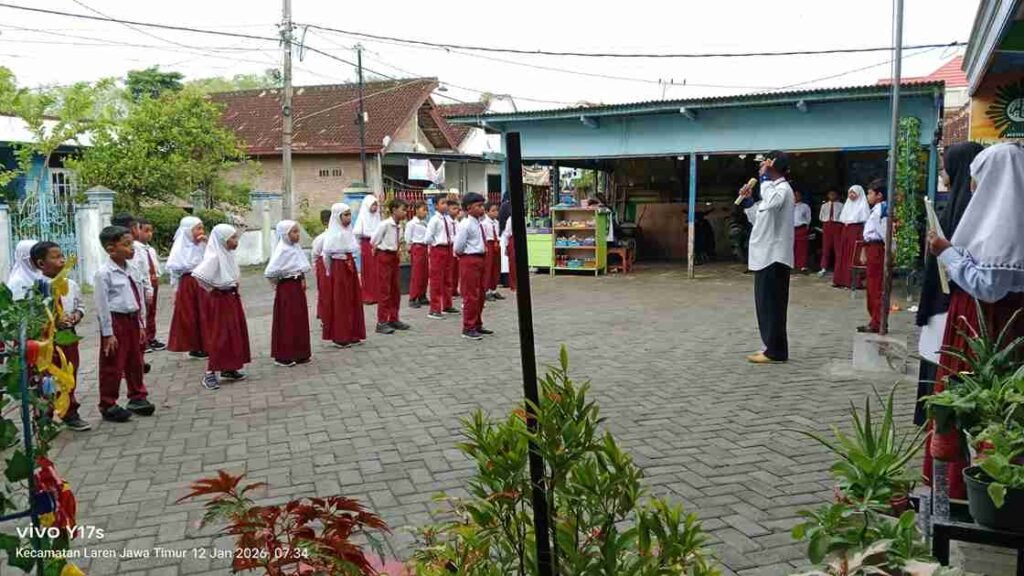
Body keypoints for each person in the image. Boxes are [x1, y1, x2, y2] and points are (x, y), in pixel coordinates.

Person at [925, 142, 1024, 500]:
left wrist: (946, 253)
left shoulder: (1003, 226)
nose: (973, 187)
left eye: (978, 179)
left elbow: (989, 287)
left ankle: (967, 487)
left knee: (975, 400)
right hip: (995, 323)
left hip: (985, 326)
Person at [913, 142, 984, 424]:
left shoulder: (971, 208)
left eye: (945, 167)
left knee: (945, 360)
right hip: (943, 297)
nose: (942, 173)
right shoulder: (958, 200)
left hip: (957, 300)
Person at [93, 225, 155, 422]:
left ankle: (137, 396)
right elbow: (102, 306)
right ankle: (108, 404)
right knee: (113, 364)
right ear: (111, 249)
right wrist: (108, 333)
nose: (132, 248)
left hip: (133, 320)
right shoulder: (104, 274)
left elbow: (138, 298)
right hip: (115, 322)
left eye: (131, 244)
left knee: (135, 361)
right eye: (126, 245)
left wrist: (142, 324)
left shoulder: (132, 269)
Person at [739, 150, 795, 364]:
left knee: (773, 306)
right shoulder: (771, 191)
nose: (761, 167)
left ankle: (776, 351)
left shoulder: (782, 189)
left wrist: (764, 178)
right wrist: (748, 202)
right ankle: (770, 346)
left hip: (775, 257)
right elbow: (759, 218)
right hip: (764, 257)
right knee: (764, 305)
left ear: (773, 166)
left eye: (765, 164)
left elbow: (771, 202)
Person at [31, 241, 90, 431]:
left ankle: (70, 412)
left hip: (68, 336)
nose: (62, 260)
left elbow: (80, 305)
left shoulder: (70, 284)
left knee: (69, 373)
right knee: (47, 378)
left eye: (62, 256)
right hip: (48, 341)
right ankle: (44, 417)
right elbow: (34, 317)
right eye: (55, 257)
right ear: (41, 264)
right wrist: (53, 323)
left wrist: (76, 316)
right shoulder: (37, 288)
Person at [192, 224, 250, 390]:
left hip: (231, 297)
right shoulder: (214, 257)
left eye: (235, 237)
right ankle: (210, 372)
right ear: (223, 240)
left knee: (233, 333)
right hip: (221, 299)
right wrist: (213, 288)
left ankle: (229, 367)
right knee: (221, 335)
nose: (235, 241)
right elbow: (199, 276)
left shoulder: (228, 254)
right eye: (232, 238)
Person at [265, 220, 312, 368]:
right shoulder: (282, 250)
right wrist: (277, 285)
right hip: (287, 287)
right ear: (285, 234)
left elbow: (300, 266)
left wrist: (302, 279)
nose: (297, 235)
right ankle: (283, 355)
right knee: (287, 320)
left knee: (299, 319)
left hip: (297, 286)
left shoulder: (296, 248)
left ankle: (300, 352)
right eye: (294, 232)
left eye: (298, 231)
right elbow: (270, 272)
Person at [321, 203, 366, 348]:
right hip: (339, 268)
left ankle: (353, 333)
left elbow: (352, 249)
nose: (348, 218)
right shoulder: (333, 234)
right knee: (341, 301)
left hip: (349, 266)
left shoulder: (349, 232)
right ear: (337, 217)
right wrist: (330, 272)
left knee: (352, 299)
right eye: (345, 215)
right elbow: (326, 255)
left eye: (349, 214)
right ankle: (341, 335)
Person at [166, 216, 208, 359]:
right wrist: (176, 290)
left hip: (203, 283)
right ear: (188, 231)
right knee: (191, 315)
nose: (201, 231)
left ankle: (206, 344)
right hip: (189, 285)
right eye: (197, 228)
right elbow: (175, 272)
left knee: (205, 314)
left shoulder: (203, 245)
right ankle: (194, 346)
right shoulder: (180, 248)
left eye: (202, 228)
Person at [453, 193, 491, 340]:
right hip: (469, 259)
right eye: (479, 206)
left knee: (481, 293)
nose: (482, 209)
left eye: (483, 205)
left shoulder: (479, 223)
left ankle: (477, 323)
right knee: (471, 294)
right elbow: (458, 247)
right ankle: (468, 327)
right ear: (469, 208)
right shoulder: (465, 225)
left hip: (481, 259)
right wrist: (467, 256)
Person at [371, 198, 409, 335]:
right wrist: (380, 249)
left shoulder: (400, 225)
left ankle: (394, 318)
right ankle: (381, 321)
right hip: (384, 256)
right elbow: (374, 240)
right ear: (394, 210)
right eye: (402, 210)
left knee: (395, 289)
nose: (405, 213)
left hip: (394, 257)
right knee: (384, 290)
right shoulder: (385, 225)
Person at [858, 180, 888, 333]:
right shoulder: (875, 209)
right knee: (871, 284)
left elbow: (885, 233)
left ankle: (878, 321)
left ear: (879, 195)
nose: (868, 196)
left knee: (876, 286)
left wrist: (890, 251)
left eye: (870, 193)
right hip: (871, 247)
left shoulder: (882, 209)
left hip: (877, 248)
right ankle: (874, 319)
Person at [833, 186, 870, 288]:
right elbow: (844, 218)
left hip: (856, 232)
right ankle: (840, 280)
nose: (851, 195)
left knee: (853, 255)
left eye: (853, 193)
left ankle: (852, 281)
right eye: (850, 193)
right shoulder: (847, 205)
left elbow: (864, 220)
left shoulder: (862, 206)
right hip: (846, 231)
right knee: (843, 254)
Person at [138, 218, 166, 352]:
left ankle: (151, 337)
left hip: (154, 282)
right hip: (144, 284)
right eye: (146, 231)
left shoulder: (150, 249)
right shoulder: (136, 249)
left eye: (151, 231)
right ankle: (144, 339)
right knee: (144, 312)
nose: (149, 234)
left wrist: (158, 276)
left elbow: (155, 265)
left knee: (152, 311)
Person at [426, 197, 455, 319]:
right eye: (442, 203)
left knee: (448, 278)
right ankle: (434, 308)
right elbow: (428, 237)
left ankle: (447, 305)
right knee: (437, 279)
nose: (445, 206)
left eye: (446, 203)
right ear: (436, 206)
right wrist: (435, 244)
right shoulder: (434, 220)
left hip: (448, 248)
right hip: (438, 249)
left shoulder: (448, 219)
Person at [353, 195, 381, 305]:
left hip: (377, 245)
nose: (374, 207)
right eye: (372, 205)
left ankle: (378, 294)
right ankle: (368, 295)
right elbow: (358, 232)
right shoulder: (363, 217)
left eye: (375, 205)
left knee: (377, 270)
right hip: (367, 245)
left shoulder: (377, 216)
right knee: (369, 270)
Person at [404, 201, 430, 309]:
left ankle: (422, 295)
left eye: (426, 210)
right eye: (423, 210)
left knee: (424, 273)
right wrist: (409, 247)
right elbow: (408, 237)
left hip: (424, 248)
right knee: (417, 274)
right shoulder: (411, 224)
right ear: (417, 210)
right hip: (417, 247)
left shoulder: (424, 223)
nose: (425, 213)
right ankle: (413, 297)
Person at [818, 190, 845, 275]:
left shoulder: (841, 205)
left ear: (837, 195)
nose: (832, 196)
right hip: (827, 225)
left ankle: (838, 268)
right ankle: (823, 267)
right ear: (828, 195)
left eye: (834, 194)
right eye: (830, 194)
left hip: (837, 225)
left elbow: (843, 216)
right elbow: (821, 216)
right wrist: (826, 221)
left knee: (838, 248)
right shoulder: (824, 205)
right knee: (826, 247)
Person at [311, 209, 331, 323]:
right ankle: (325, 314)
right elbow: (315, 254)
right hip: (323, 266)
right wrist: (316, 269)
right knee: (325, 292)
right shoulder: (321, 238)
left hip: (334, 266)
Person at [483, 202, 504, 301]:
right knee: (488, 268)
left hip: (496, 244)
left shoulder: (496, 222)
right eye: (493, 211)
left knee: (496, 267)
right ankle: (486, 291)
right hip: (489, 244)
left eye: (497, 210)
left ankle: (493, 289)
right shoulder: (484, 223)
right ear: (487, 212)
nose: (496, 213)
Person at [792, 190, 811, 272]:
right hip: (790, 229)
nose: (796, 197)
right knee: (791, 248)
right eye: (794, 195)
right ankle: (792, 265)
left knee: (801, 248)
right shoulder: (789, 205)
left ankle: (802, 266)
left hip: (801, 228)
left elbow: (808, 218)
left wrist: (806, 227)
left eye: (798, 195)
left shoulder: (805, 206)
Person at [448, 203, 463, 299]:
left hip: (456, 246)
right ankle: (449, 291)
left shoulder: (457, 223)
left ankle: (454, 289)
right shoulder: (447, 222)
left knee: (456, 271)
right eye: (454, 208)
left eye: (457, 209)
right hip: (449, 246)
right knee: (450, 270)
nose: (457, 211)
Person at [502, 213, 518, 292]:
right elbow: (506, 233)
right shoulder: (510, 219)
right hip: (512, 240)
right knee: (512, 263)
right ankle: (513, 284)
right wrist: (506, 245)